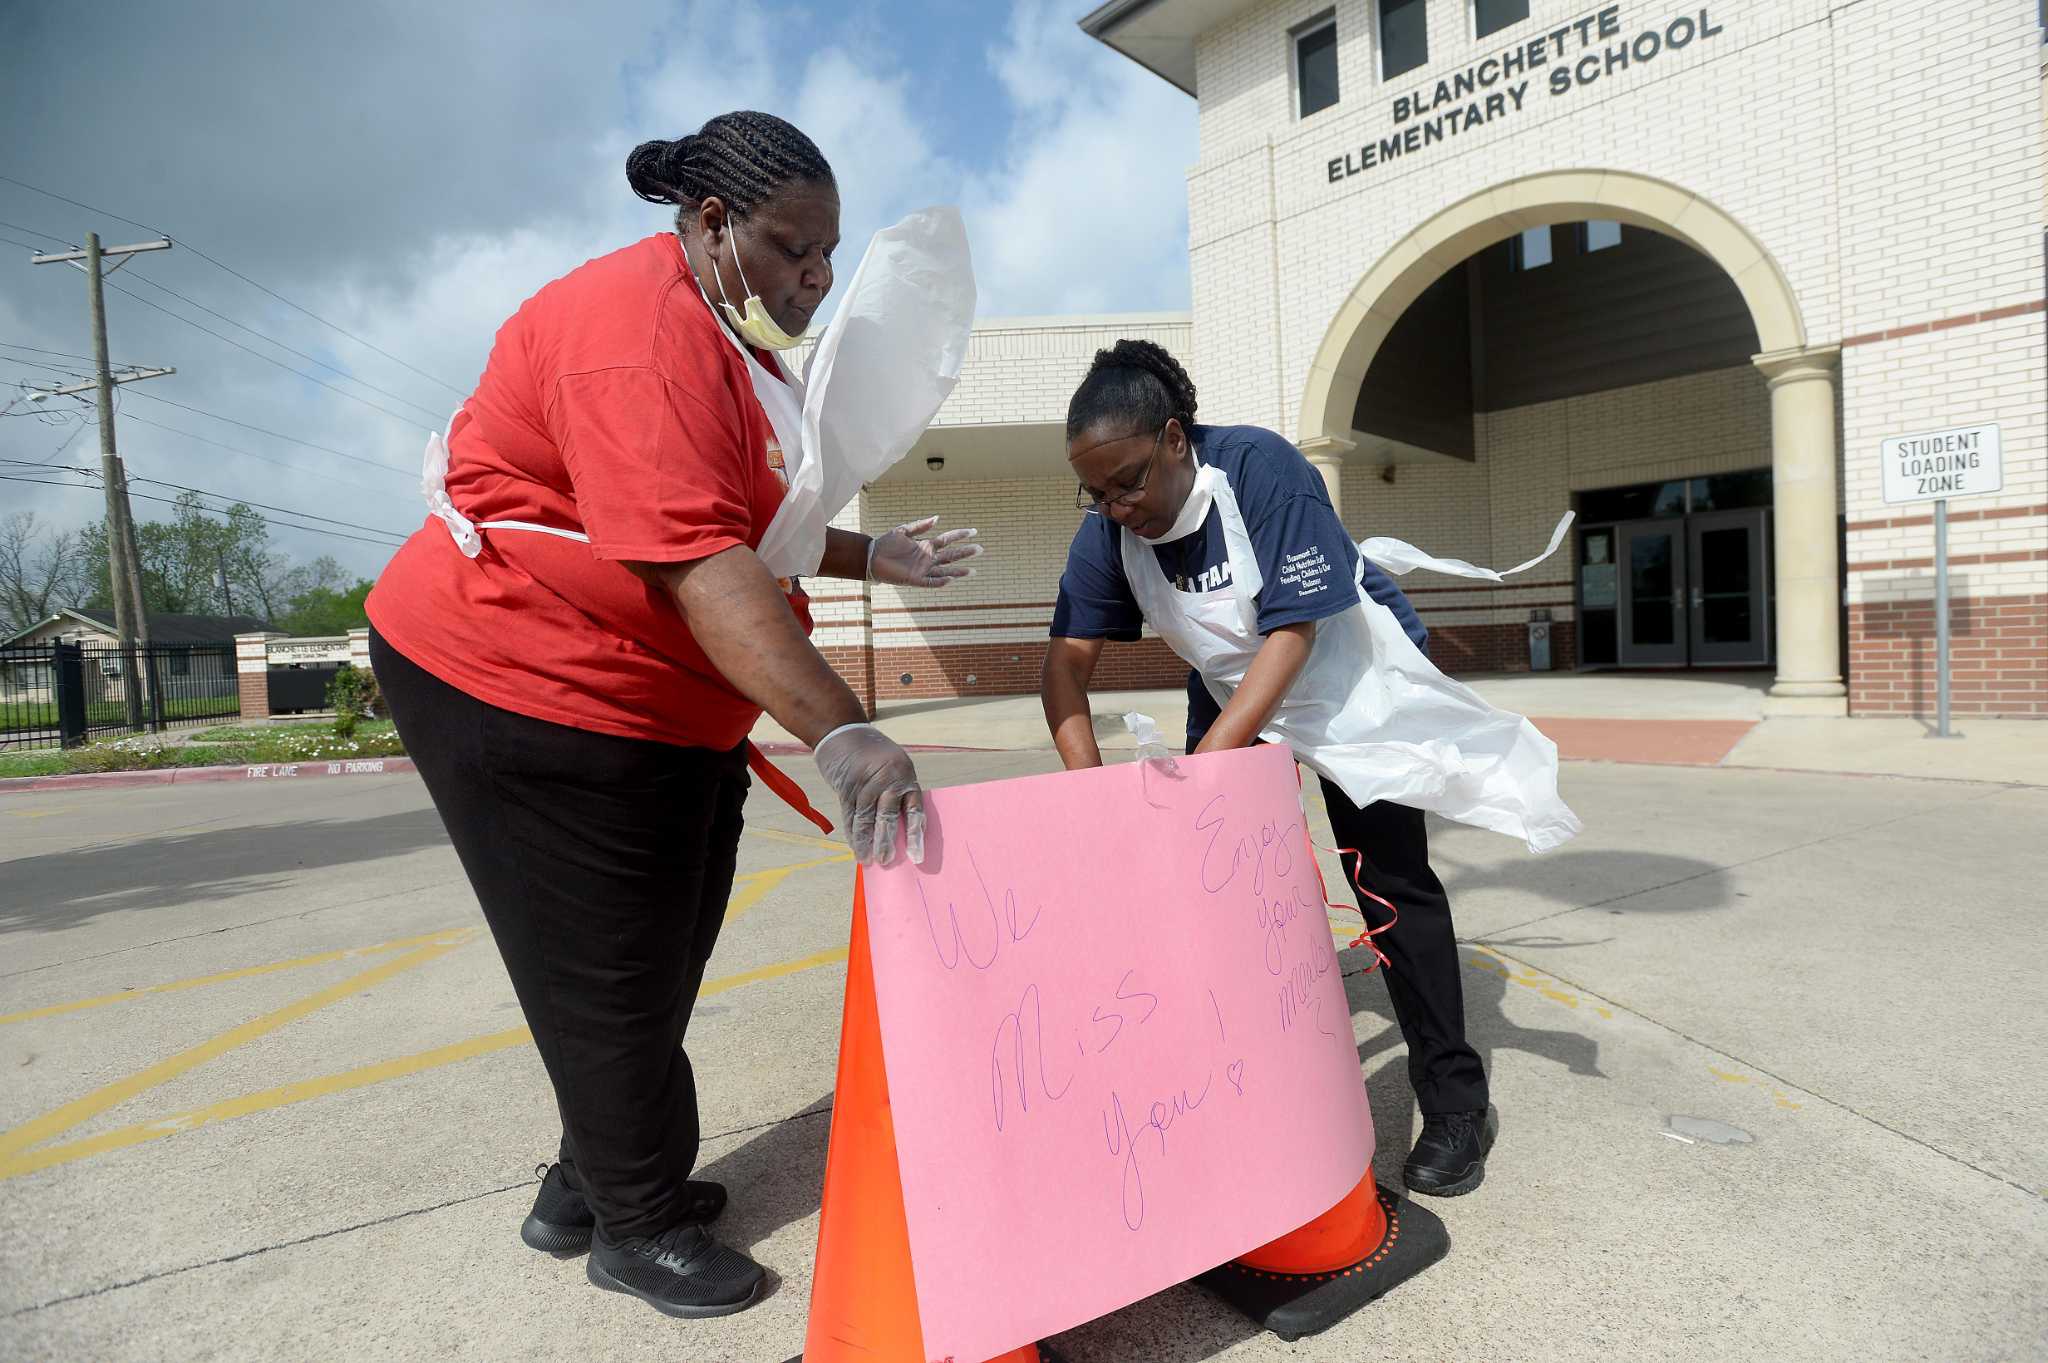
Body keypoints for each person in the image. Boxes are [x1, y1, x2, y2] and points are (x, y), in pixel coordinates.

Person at [366, 111, 980, 1320]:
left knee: (663, 943)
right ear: (709, 223)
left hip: (651, 699)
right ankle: (631, 1226)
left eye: (826, 255)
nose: (813, 278)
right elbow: (698, 558)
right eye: (792, 248)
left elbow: (746, 516)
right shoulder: (637, 336)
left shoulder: (725, 339)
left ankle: (585, 1186)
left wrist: (871, 555)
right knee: (609, 965)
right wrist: (842, 726)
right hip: (522, 679)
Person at [1040, 340, 1563, 1199]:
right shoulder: (1107, 527)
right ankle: (1248, 1082)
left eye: (1127, 480)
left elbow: (1296, 633)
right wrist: (1094, 792)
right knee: (1218, 887)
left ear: (1175, 438)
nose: (1114, 506)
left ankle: (1457, 1101)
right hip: (1233, 681)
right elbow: (1067, 664)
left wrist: (1210, 768)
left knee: (1390, 885)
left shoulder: (1259, 469)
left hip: (1345, 680)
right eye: (1094, 492)